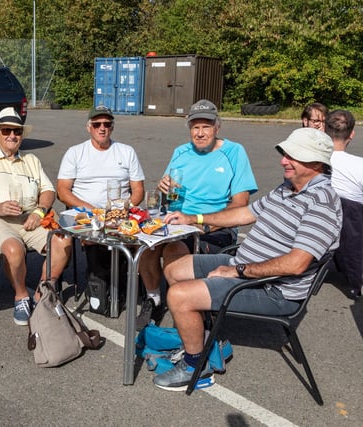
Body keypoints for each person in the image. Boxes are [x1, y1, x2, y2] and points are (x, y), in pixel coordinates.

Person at [153, 127, 342, 391]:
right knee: (175, 267)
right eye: (285, 154)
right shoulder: (288, 188)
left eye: (292, 156)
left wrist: (238, 271)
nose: (283, 161)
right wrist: (194, 219)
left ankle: (197, 366)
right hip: (244, 266)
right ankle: (202, 336)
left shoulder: (321, 202)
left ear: (316, 163)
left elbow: (296, 264)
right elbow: (245, 214)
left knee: (179, 296)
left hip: (275, 290)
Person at [137, 99, 258, 330]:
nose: (200, 133)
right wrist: (164, 190)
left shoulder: (234, 152)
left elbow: (241, 205)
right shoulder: (181, 152)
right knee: (146, 243)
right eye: (195, 127)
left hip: (214, 225)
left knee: (175, 250)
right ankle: (153, 299)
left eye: (206, 126)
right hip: (176, 220)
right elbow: (168, 199)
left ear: (217, 127)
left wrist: (203, 223)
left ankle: (187, 313)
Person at [0, 107, 73, 325]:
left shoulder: (31, 160)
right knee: (13, 248)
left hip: (30, 218)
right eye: (7, 131)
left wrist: (40, 212)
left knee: (64, 240)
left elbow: (48, 190)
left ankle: (43, 290)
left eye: (17, 131)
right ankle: (21, 295)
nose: (12, 135)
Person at [57, 105, 145, 315]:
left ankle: (130, 289)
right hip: (86, 213)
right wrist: (91, 210)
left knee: (139, 236)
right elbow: (62, 191)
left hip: (119, 212)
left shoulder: (126, 151)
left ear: (112, 127)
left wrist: (124, 208)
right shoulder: (75, 153)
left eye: (107, 124)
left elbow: (138, 190)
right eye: (97, 124)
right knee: (97, 239)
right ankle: (103, 289)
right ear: (89, 127)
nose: (102, 128)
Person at [325, 109, 363, 300]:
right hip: (350, 225)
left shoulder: (313, 160)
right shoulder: (359, 165)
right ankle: (355, 283)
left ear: (324, 130)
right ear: (352, 134)